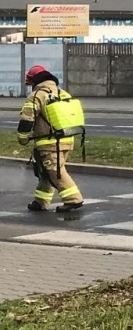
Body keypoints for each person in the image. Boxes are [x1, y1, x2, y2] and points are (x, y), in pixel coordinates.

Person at [16, 64, 86, 217]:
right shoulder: (62, 92)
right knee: (47, 172)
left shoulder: (37, 95)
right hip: (67, 139)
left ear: (34, 81)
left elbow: (27, 120)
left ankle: (73, 199)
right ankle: (40, 201)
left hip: (48, 142)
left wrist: (22, 138)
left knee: (55, 171)